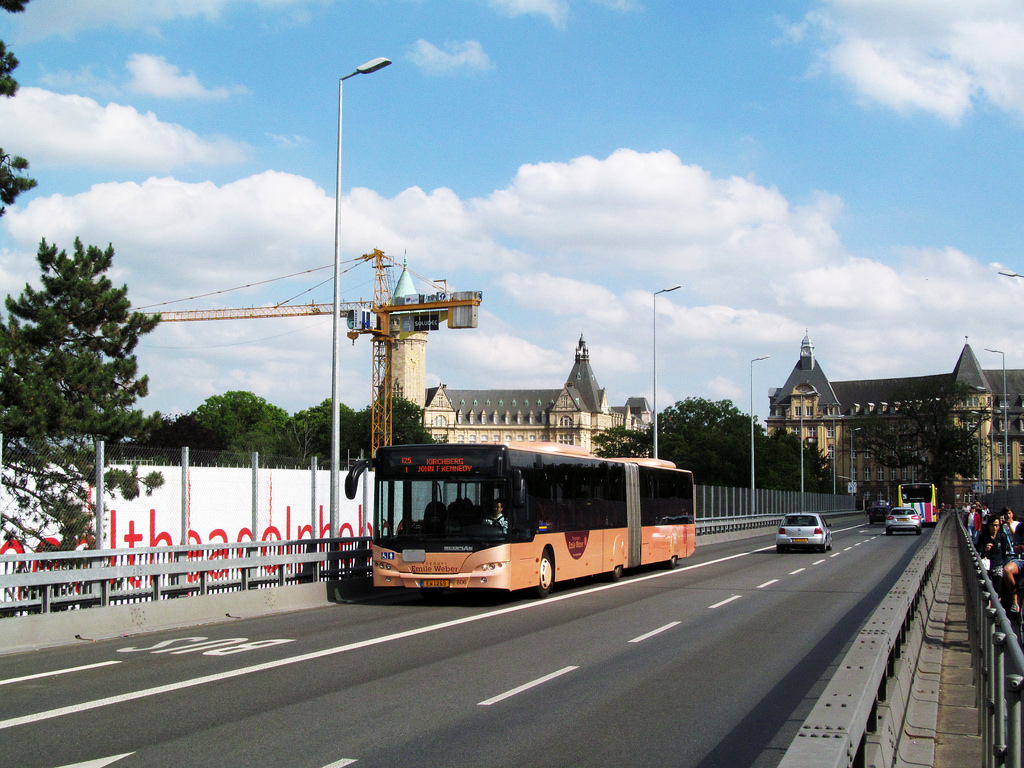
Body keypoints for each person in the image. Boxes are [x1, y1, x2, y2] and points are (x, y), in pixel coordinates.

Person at [976, 512, 1019, 613]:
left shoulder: (1001, 536)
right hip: (986, 566)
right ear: (989, 525)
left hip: (998, 566)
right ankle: (987, 612)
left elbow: (1005, 551)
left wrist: (1004, 563)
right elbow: (979, 551)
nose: (995, 528)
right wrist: (985, 550)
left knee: (997, 591)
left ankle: (996, 613)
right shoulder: (984, 536)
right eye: (993, 525)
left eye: (997, 525)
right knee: (987, 589)